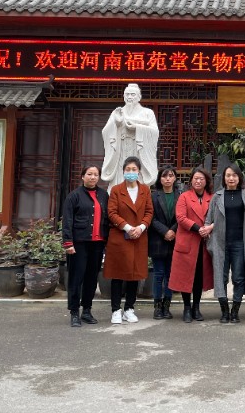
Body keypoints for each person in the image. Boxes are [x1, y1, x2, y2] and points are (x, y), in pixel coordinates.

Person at [205, 163, 245, 323]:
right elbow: (209, 219)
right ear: (224, 178)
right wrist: (208, 230)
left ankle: (235, 311)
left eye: (234, 175)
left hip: (240, 243)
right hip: (220, 243)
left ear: (239, 177)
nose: (231, 178)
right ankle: (224, 311)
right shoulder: (217, 196)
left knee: (238, 277)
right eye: (228, 175)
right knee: (221, 277)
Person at [103, 156, 154, 324]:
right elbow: (111, 212)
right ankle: (116, 310)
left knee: (134, 274)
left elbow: (149, 212)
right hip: (120, 237)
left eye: (134, 169)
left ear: (139, 172)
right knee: (117, 274)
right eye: (128, 169)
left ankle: (129, 309)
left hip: (139, 237)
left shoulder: (145, 190)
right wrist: (127, 227)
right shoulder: (116, 190)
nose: (131, 172)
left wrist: (141, 227)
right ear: (123, 171)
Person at [61, 165, 109, 327]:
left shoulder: (103, 195)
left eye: (96, 174)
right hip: (79, 244)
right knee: (76, 278)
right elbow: (67, 221)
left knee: (91, 278)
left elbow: (107, 218)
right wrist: (68, 243)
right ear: (82, 176)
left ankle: (87, 310)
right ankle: (74, 312)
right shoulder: (74, 196)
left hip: (97, 244)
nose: (93, 177)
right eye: (89, 174)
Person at [169, 167, 214, 322]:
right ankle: (187, 308)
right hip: (188, 241)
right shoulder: (184, 197)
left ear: (206, 181)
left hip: (204, 243)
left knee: (199, 277)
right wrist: (198, 228)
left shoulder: (212, 198)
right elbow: (180, 217)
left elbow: (217, 217)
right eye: (195, 178)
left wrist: (209, 227)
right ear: (191, 180)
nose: (198, 181)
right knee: (186, 276)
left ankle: (196, 307)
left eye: (201, 178)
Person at [101, 83, 159, 191]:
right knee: (120, 177)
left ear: (139, 97)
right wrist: (116, 124)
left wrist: (137, 128)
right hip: (121, 150)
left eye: (132, 94)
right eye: (127, 94)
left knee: (138, 175)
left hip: (138, 151)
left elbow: (155, 132)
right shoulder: (117, 112)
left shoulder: (147, 113)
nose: (129, 97)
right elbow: (105, 132)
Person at [148, 165, 180, 320]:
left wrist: (172, 230)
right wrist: (165, 231)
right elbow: (151, 218)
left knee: (170, 275)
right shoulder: (153, 196)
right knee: (158, 274)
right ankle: (157, 307)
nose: (167, 179)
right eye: (164, 176)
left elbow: (182, 216)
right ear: (160, 179)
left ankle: (167, 306)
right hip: (158, 239)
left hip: (175, 239)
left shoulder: (180, 195)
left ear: (175, 178)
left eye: (171, 175)